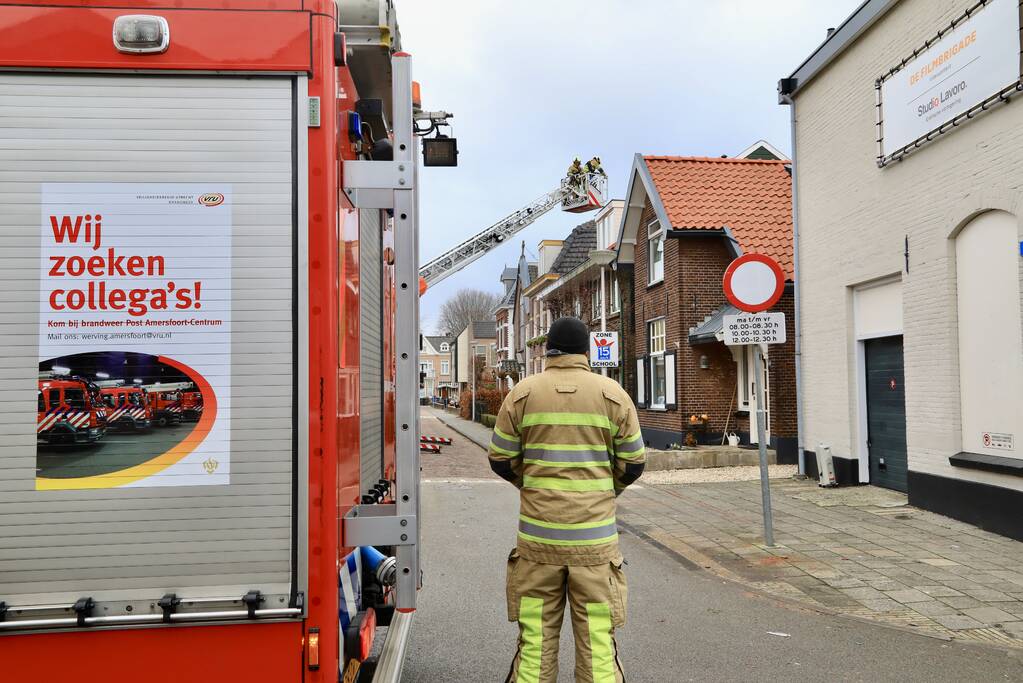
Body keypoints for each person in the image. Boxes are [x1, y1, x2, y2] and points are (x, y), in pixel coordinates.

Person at [489, 317, 645, 683]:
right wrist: (607, 490)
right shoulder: (613, 396)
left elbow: (499, 458)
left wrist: (530, 484)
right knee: (597, 647)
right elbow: (634, 464)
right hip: (594, 546)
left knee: (536, 644)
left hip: (538, 545)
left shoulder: (522, 394)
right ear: (586, 352)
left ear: (548, 350)